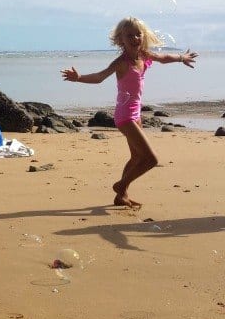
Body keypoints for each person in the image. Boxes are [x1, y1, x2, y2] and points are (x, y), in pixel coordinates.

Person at [61, 16, 198, 209]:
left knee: (136, 158)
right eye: (129, 35)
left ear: (143, 36)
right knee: (151, 159)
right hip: (124, 116)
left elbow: (163, 58)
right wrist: (79, 77)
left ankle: (121, 196)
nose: (134, 38)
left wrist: (181, 58)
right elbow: (100, 77)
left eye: (137, 34)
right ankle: (121, 185)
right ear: (121, 40)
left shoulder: (143, 55)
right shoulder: (121, 62)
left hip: (135, 114)